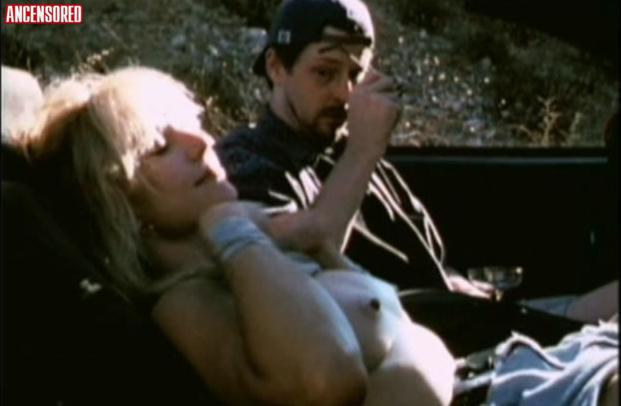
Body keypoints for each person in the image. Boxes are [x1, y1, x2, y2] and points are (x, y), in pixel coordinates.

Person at [20, 66, 455, 405]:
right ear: (121, 203)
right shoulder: (182, 302)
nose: (200, 142)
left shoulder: (243, 259)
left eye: (190, 123)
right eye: (159, 147)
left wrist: (300, 242)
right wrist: (230, 228)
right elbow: (325, 379)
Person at [215, 0, 472, 293]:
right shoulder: (244, 164)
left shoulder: (355, 155)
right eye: (324, 73)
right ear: (276, 67)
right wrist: (362, 154)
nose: (344, 94)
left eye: (355, 75)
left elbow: (431, 262)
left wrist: (460, 288)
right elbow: (299, 276)